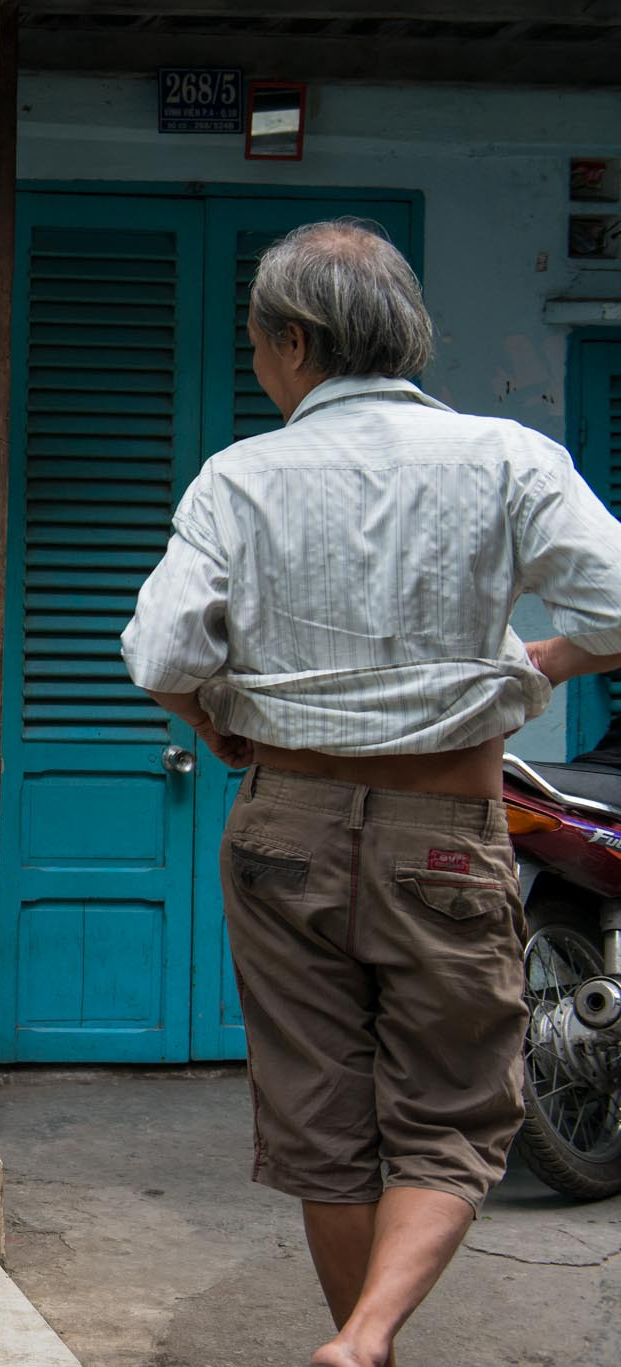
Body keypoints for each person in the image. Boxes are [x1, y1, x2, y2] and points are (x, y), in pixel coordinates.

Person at [122, 219, 621, 1367]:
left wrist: (217, 722)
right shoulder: (507, 459)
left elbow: (160, 655)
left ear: (291, 341)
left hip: (282, 825)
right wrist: (535, 661)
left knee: (319, 1114)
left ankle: (360, 1345)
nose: (257, 363)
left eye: (256, 343)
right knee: (452, 1113)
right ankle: (370, 1334)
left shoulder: (237, 476)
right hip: (444, 826)